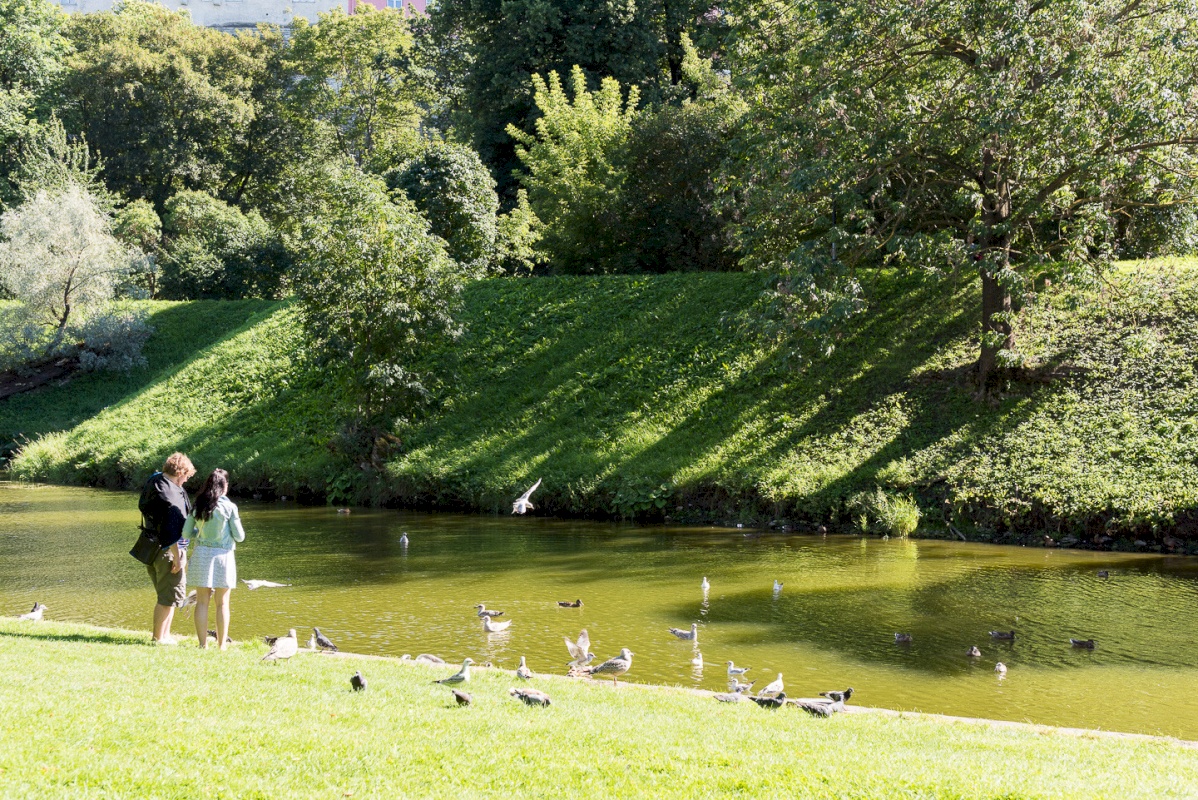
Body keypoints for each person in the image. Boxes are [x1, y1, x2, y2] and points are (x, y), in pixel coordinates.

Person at [138, 452, 196, 644]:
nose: (186, 481)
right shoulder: (171, 497)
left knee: (169, 596)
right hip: (168, 553)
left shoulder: (156, 482)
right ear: (181, 473)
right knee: (166, 597)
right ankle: (158, 638)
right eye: (187, 477)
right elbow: (170, 533)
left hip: (151, 548)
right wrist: (179, 558)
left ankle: (166, 635)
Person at [184, 468, 245, 650]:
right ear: (224, 485)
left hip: (202, 554)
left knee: (202, 602)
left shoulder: (198, 506)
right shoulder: (230, 507)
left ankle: (202, 644)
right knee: (222, 603)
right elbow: (240, 536)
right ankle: (221, 645)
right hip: (223, 557)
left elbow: (186, 533)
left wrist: (200, 533)